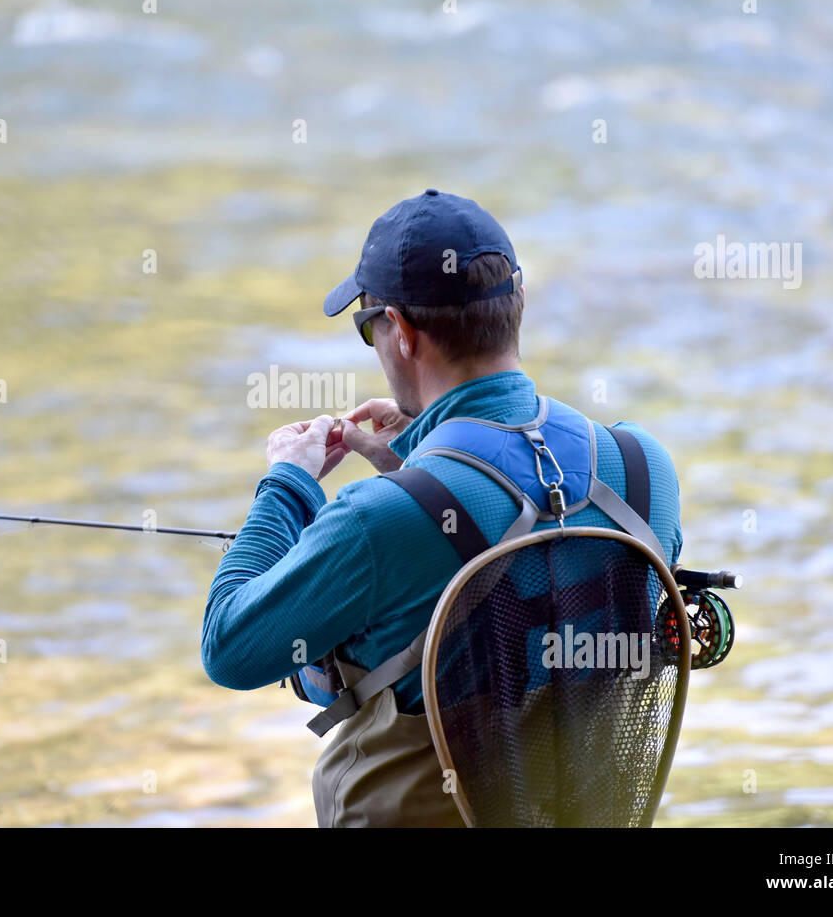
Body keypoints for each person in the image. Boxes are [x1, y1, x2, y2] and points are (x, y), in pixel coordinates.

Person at [202, 189, 683, 827]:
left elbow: (230, 647)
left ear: (400, 332)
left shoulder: (375, 520)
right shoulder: (643, 470)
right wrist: (423, 454)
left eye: (367, 326)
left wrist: (288, 483)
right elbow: (541, 581)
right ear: (516, 307)